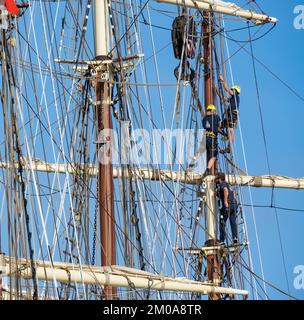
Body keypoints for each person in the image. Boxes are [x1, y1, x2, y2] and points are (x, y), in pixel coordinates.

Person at [218, 75, 241, 154]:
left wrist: (222, 80)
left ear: (235, 90)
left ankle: (229, 147)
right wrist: (219, 93)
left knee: (231, 130)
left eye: (232, 90)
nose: (231, 91)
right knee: (218, 125)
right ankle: (226, 136)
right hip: (229, 115)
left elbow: (227, 89)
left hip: (232, 115)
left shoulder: (235, 95)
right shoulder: (232, 99)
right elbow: (225, 99)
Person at [215, 172, 238, 245]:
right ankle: (235, 238)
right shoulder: (228, 184)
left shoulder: (222, 184)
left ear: (219, 178)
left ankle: (222, 241)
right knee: (233, 222)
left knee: (222, 222)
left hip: (227, 205)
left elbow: (225, 190)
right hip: (234, 205)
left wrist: (225, 201)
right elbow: (233, 193)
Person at [202, 104, 224, 177]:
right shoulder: (216, 117)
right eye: (214, 110)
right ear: (212, 110)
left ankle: (193, 161)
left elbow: (206, 126)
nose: (215, 112)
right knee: (213, 156)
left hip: (205, 138)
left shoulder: (204, 118)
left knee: (203, 152)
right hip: (212, 138)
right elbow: (219, 127)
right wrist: (224, 133)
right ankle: (208, 170)